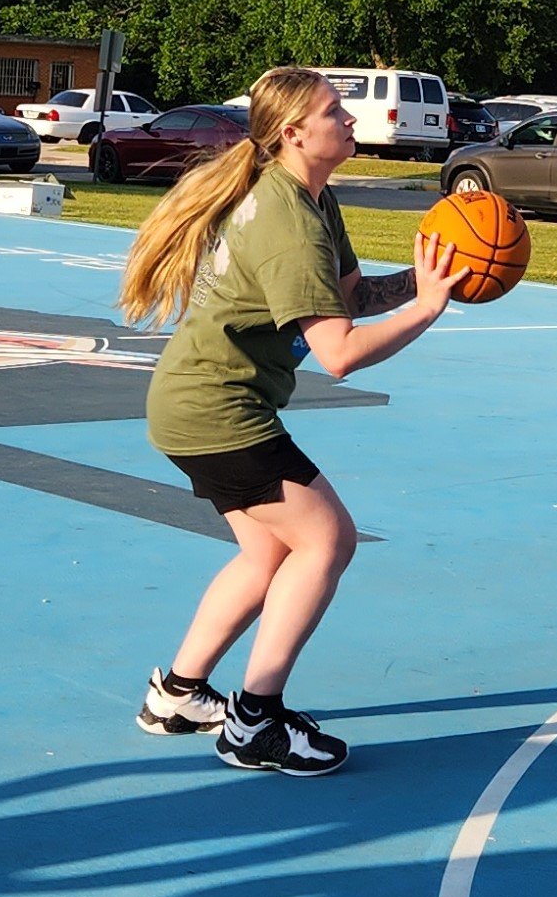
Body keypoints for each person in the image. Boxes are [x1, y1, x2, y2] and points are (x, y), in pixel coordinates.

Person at [116, 66, 463, 776]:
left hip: (197, 403)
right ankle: (255, 719)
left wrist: (430, 283)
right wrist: (425, 311)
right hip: (218, 408)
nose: (350, 118)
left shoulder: (311, 199)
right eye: (335, 110)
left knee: (269, 552)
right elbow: (337, 353)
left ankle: (178, 694)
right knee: (327, 539)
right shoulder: (288, 219)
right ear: (294, 132)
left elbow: (352, 297)